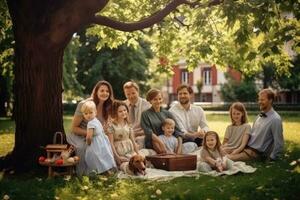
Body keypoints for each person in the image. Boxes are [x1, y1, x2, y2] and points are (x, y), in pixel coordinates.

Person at [66, 80, 114, 175]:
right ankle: (85, 173)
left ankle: (103, 170)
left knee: (104, 146)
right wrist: (90, 134)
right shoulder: (85, 104)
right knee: (86, 147)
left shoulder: (108, 107)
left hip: (95, 135)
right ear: (96, 92)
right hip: (79, 135)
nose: (105, 93)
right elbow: (74, 128)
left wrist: (109, 141)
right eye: (102, 90)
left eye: (107, 91)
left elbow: (107, 128)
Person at [228, 89, 284, 161]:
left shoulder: (275, 119)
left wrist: (271, 159)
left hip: (255, 153)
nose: (260, 102)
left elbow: (279, 143)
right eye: (259, 100)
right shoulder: (259, 116)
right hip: (245, 148)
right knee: (218, 153)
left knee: (227, 159)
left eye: (262, 100)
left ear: (270, 100)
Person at [140, 88, 184, 154]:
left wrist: (179, 150)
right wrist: (161, 143)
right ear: (150, 101)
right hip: (154, 144)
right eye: (155, 99)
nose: (158, 101)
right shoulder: (145, 114)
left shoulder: (168, 113)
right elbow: (148, 132)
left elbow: (178, 131)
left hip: (170, 143)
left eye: (160, 99)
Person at [83, 101, 116, 174]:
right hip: (102, 142)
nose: (88, 115)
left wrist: (88, 143)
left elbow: (89, 137)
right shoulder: (96, 120)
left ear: (95, 112)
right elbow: (100, 130)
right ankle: (106, 170)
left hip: (96, 143)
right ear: (83, 115)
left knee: (95, 157)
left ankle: (99, 171)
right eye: (86, 113)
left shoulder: (90, 123)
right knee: (103, 157)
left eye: (90, 112)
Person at [107, 100, 139, 166]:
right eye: (120, 111)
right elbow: (111, 143)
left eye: (125, 110)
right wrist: (117, 157)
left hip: (130, 150)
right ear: (115, 113)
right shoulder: (111, 126)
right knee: (128, 165)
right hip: (119, 152)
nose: (123, 112)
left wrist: (137, 154)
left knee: (137, 163)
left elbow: (133, 140)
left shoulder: (128, 124)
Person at [123, 81, 151, 149]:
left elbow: (149, 127)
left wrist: (135, 134)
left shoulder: (147, 105)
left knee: (139, 142)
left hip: (141, 135)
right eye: (128, 94)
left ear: (138, 92)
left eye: (133, 93)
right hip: (126, 134)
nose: (131, 96)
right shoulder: (123, 105)